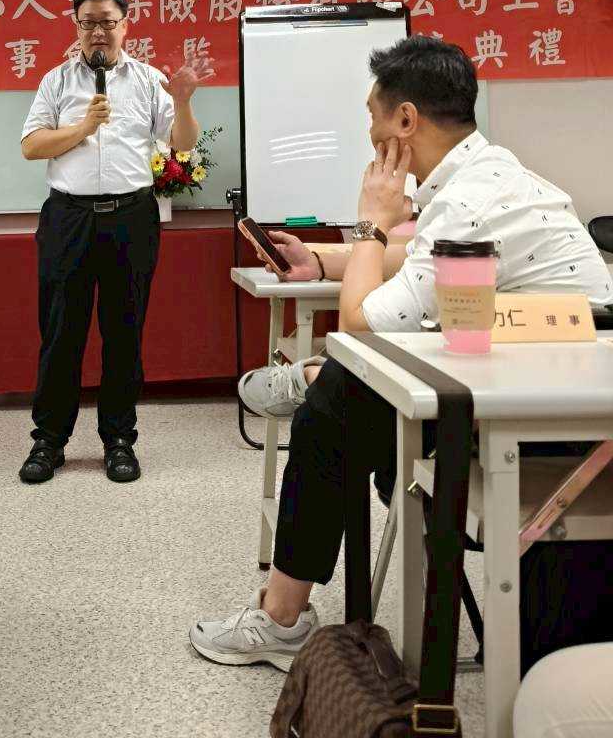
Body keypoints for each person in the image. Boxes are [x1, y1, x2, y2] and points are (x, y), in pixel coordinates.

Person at [190, 35, 612, 669]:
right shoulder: (491, 173)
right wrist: (323, 259)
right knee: (344, 397)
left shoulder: (466, 202)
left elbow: (361, 325)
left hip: (545, 427)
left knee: (337, 401)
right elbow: (422, 262)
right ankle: (314, 380)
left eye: (372, 115)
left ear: (406, 119)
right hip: (542, 384)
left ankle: (281, 617)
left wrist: (370, 220)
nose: (369, 132)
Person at [18, 0, 210, 485]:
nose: (98, 31)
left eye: (107, 21)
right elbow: (32, 146)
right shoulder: (57, 81)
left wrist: (183, 102)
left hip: (131, 218)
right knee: (61, 332)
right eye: (89, 22)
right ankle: (49, 440)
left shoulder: (147, 80)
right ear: (76, 26)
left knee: (124, 331)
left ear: (125, 25)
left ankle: (119, 440)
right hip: (69, 218)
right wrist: (83, 127)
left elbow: (181, 143)